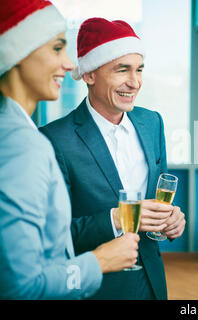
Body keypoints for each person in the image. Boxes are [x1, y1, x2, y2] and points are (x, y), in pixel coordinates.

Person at [0, 0, 139, 299]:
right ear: (17, 51)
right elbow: (19, 287)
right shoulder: (25, 145)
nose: (69, 63)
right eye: (56, 47)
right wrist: (100, 261)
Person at [40, 17, 186, 300]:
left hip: (153, 282)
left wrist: (172, 219)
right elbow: (53, 236)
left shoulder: (152, 122)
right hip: (97, 287)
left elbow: (157, 199)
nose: (135, 82)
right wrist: (119, 218)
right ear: (90, 75)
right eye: (122, 70)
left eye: (139, 70)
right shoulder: (53, 140)